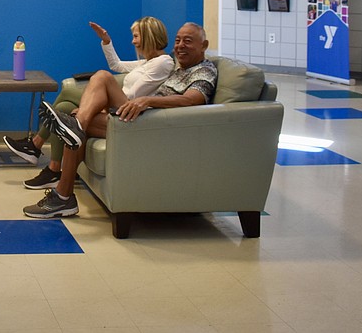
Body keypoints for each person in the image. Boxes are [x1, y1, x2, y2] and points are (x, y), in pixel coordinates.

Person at [23, 22, 217, 219]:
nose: (180, 45)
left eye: (188, 41)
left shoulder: (204, 70)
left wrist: (148, 100)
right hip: (142, 119)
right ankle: (63, 197)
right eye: (178, 40)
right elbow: (122, 67)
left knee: (102, 79)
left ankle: (59, 187)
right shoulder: (176, 66)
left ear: (204, 45)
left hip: (155, 125)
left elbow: (192, 100)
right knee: (76, 125)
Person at [4, 17, 173, 190]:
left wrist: (100, 105)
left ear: (148, 36)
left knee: (100, 77)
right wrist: (106, 40)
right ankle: (53, 169)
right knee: (63, 109)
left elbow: (134, 94)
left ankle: (36, 145)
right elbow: (116, 64)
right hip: (120, 106)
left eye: (136, 36)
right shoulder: (147, 62)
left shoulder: (164, 62)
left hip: (128, 111)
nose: (133, 41)